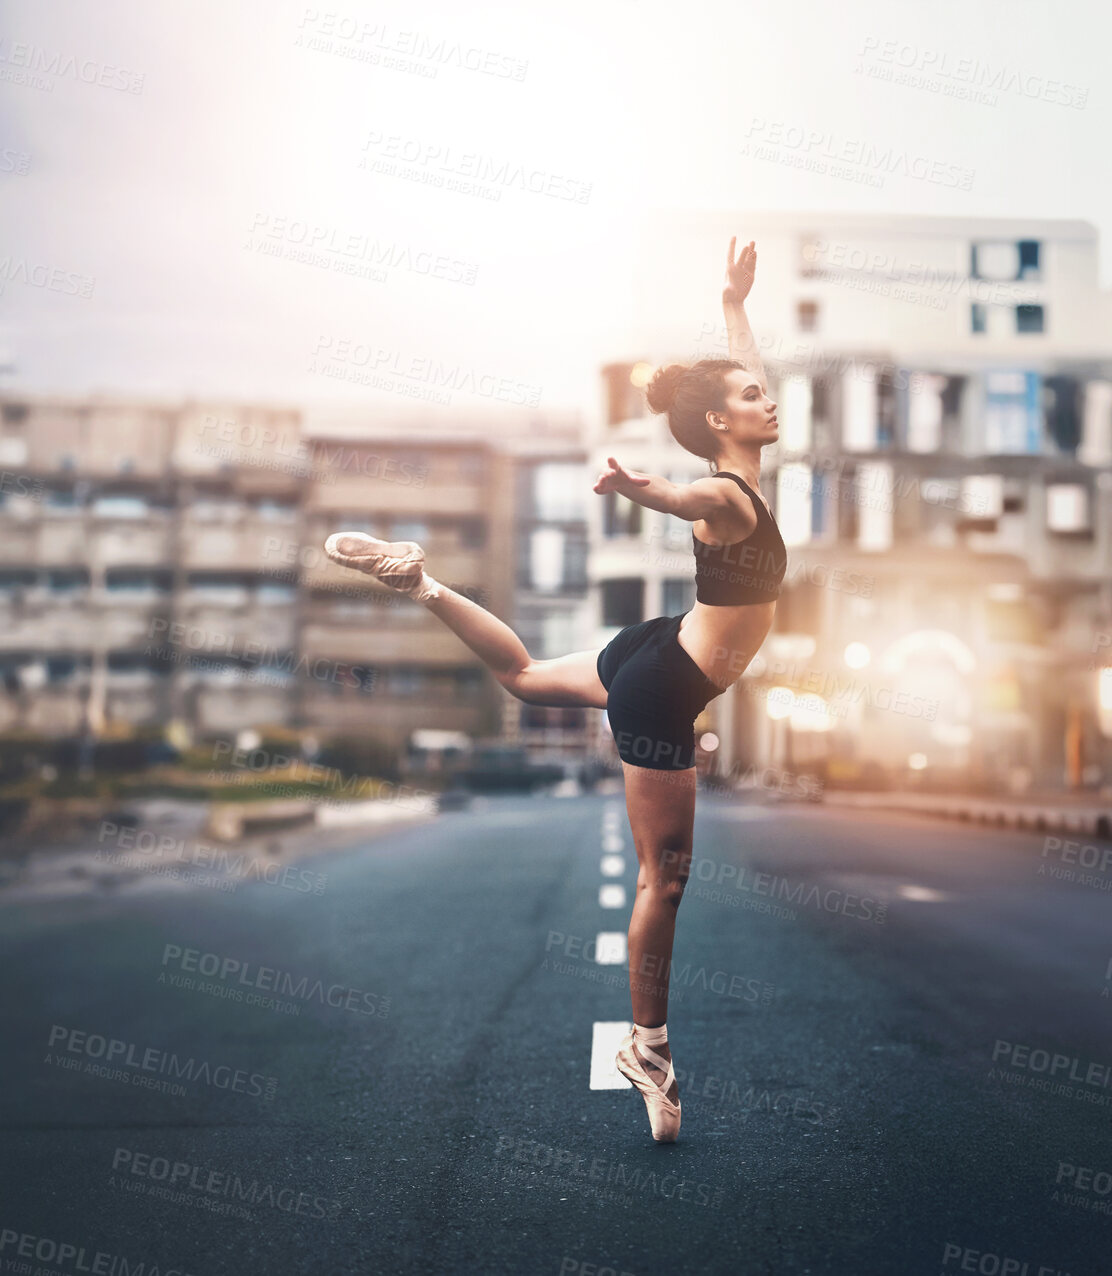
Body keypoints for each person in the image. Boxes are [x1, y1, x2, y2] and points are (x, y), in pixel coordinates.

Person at [321, 237, 785, 1141]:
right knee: (668, 876)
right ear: (725, 426)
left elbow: (739, 390)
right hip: (665, 687)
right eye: (753, 399)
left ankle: (422, 585)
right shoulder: (727, 496)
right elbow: (683, 497)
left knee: (525, 677)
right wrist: (637, 490)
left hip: (658, 651)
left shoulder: (747, 471)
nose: (769, 401)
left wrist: (734, 307)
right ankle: (647, 1046)